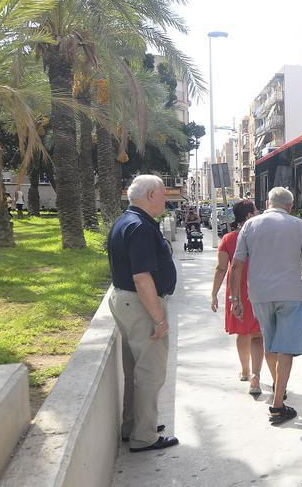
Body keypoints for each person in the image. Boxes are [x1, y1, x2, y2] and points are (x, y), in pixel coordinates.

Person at [231, 187, 302, 425]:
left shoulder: (250, 225)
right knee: (286, 348)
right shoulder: (299, 225)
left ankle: (279, 388)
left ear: (268, 203)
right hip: (291, 293)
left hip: (259, 295)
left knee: (270, 343)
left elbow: (236, 265)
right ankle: (278, 404)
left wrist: (235, 299)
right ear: (290, 206)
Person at [106, 175, 178, 452]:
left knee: (134, 368)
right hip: (141, 304)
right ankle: (144, 436)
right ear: (150, 195)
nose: (166, 199)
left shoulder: (125, 221)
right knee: (150, 372)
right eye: (163, 194)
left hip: (125, 301)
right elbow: (142, 278)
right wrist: (159, 319)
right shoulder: (141, 227)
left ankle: (133, 425)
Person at [211, 200, 264, 396]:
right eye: (256, 211)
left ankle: (245, 371)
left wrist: (214, 293)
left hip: (238, 292)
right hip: (259, 289)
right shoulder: (261, 237)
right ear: (249, 215)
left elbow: (221, 268)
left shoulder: (228, 239)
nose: (259, 213)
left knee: (244, 333)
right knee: (258, 335)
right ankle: (256, 377)